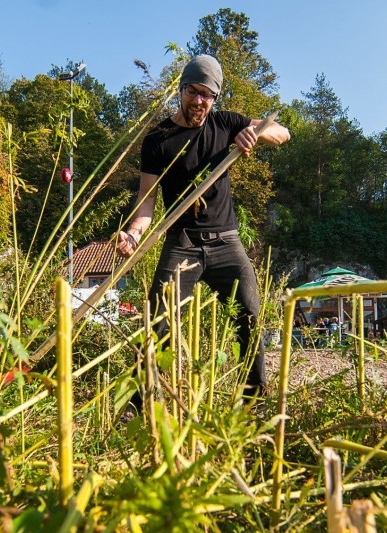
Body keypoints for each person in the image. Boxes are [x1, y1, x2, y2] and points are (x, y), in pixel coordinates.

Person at [116, 54, 291, 402]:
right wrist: (133, 235)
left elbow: (282, 132)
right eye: (193, 91)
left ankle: (252, 400)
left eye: (207, 95)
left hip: (226, 241)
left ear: (215, 98)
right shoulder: (157, 140)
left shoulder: (225, 123)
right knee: (157, 322)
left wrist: (253, 133)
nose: (199, 101)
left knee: (251, 314)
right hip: (182, 243)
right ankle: (142, 402)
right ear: (181, 89)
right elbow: (146, 204)